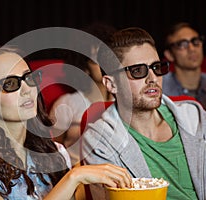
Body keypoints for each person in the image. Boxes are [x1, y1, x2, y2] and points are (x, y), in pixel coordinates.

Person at [0, 46, 132, 199]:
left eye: (28, 78)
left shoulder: (56, 152)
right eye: (10, 83)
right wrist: (74, 177)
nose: (27, 89)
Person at [82, 27, 205, 200]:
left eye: (156, 67)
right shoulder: (100, 140)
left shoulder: (195, 117)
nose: (153, 78)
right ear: (111, 84)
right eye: (138, 71)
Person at [49, 23, 116, 164]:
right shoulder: (67, 103)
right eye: (97, 60)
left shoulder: (125, 101)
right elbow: (52, 149)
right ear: (84, 67)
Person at [162, 22, 206, 109]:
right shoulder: (160, 88)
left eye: (195, 41)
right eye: (182, 44)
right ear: (169, 55)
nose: (192, 49)